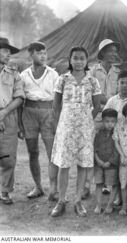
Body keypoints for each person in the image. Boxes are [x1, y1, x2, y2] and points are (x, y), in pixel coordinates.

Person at [50, 46, 101, 217]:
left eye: (82, 58)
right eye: (75, 58)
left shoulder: (93, 81)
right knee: (64, 165)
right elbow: (56, 105)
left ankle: (78, 200)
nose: (78, 61)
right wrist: (62, 124)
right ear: (70, 60)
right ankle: (61, 200)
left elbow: (97, 106)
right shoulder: (63, 79)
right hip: (65, 128)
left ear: (87, 61)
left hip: (85, 129)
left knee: (82, 164)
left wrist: (84, 119)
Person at [19, 42, 59, 200]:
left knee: (52, 153)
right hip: (28, 113)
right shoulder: (23, 75)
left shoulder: (53, 74)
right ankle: (38, 186)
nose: (43, 56)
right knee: (32, 151)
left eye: (44, 53)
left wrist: (56, 120)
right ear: (31, 55)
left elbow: (57, 100)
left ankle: (54, 188)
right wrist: (20, 124)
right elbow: (20, 99)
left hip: (48, 113)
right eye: (39, 53)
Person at [84, 39, 122, 199]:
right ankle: (86, 186)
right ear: (102, 53)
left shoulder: (118, 72)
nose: (114, 53)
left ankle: (109, 184)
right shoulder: (92, 71)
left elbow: (121, 93)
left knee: (112, 148)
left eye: (115, 50)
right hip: (96, 116)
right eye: (111, 51)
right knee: (90, 149)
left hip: (113, 118)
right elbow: (90, 92)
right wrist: (107, 101)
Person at [0, 37, 24, 205]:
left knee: (8, 157)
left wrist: (4, 113)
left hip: (9, 117)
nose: (8, 55)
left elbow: (19, 97)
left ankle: (5, 191)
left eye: (9, 52)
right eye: (5, 51)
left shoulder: (14, 73)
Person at [93, 108, 120, 214]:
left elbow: (117, 150)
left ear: (116, 122)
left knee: (113, 184)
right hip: (98, 164)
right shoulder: (98, 134)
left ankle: (109, 205)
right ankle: (98, 205)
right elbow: (94, 148)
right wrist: (98, 160)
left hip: (112, 165)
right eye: (107, 121)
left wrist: (110, 162)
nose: (110, 124)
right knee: (99, 184)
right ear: (103, 121)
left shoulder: (117, 135)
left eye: (113, 121)